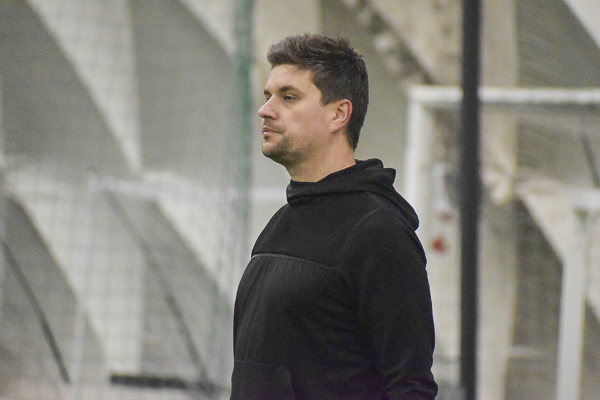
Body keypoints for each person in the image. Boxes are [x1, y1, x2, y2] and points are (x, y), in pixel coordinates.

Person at [230, 33, 437, 400]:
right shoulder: (280, 223)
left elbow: (411, 387)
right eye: (268, 96)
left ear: (339, 114)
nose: (265, 110)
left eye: (288, 97)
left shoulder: (378, 231)